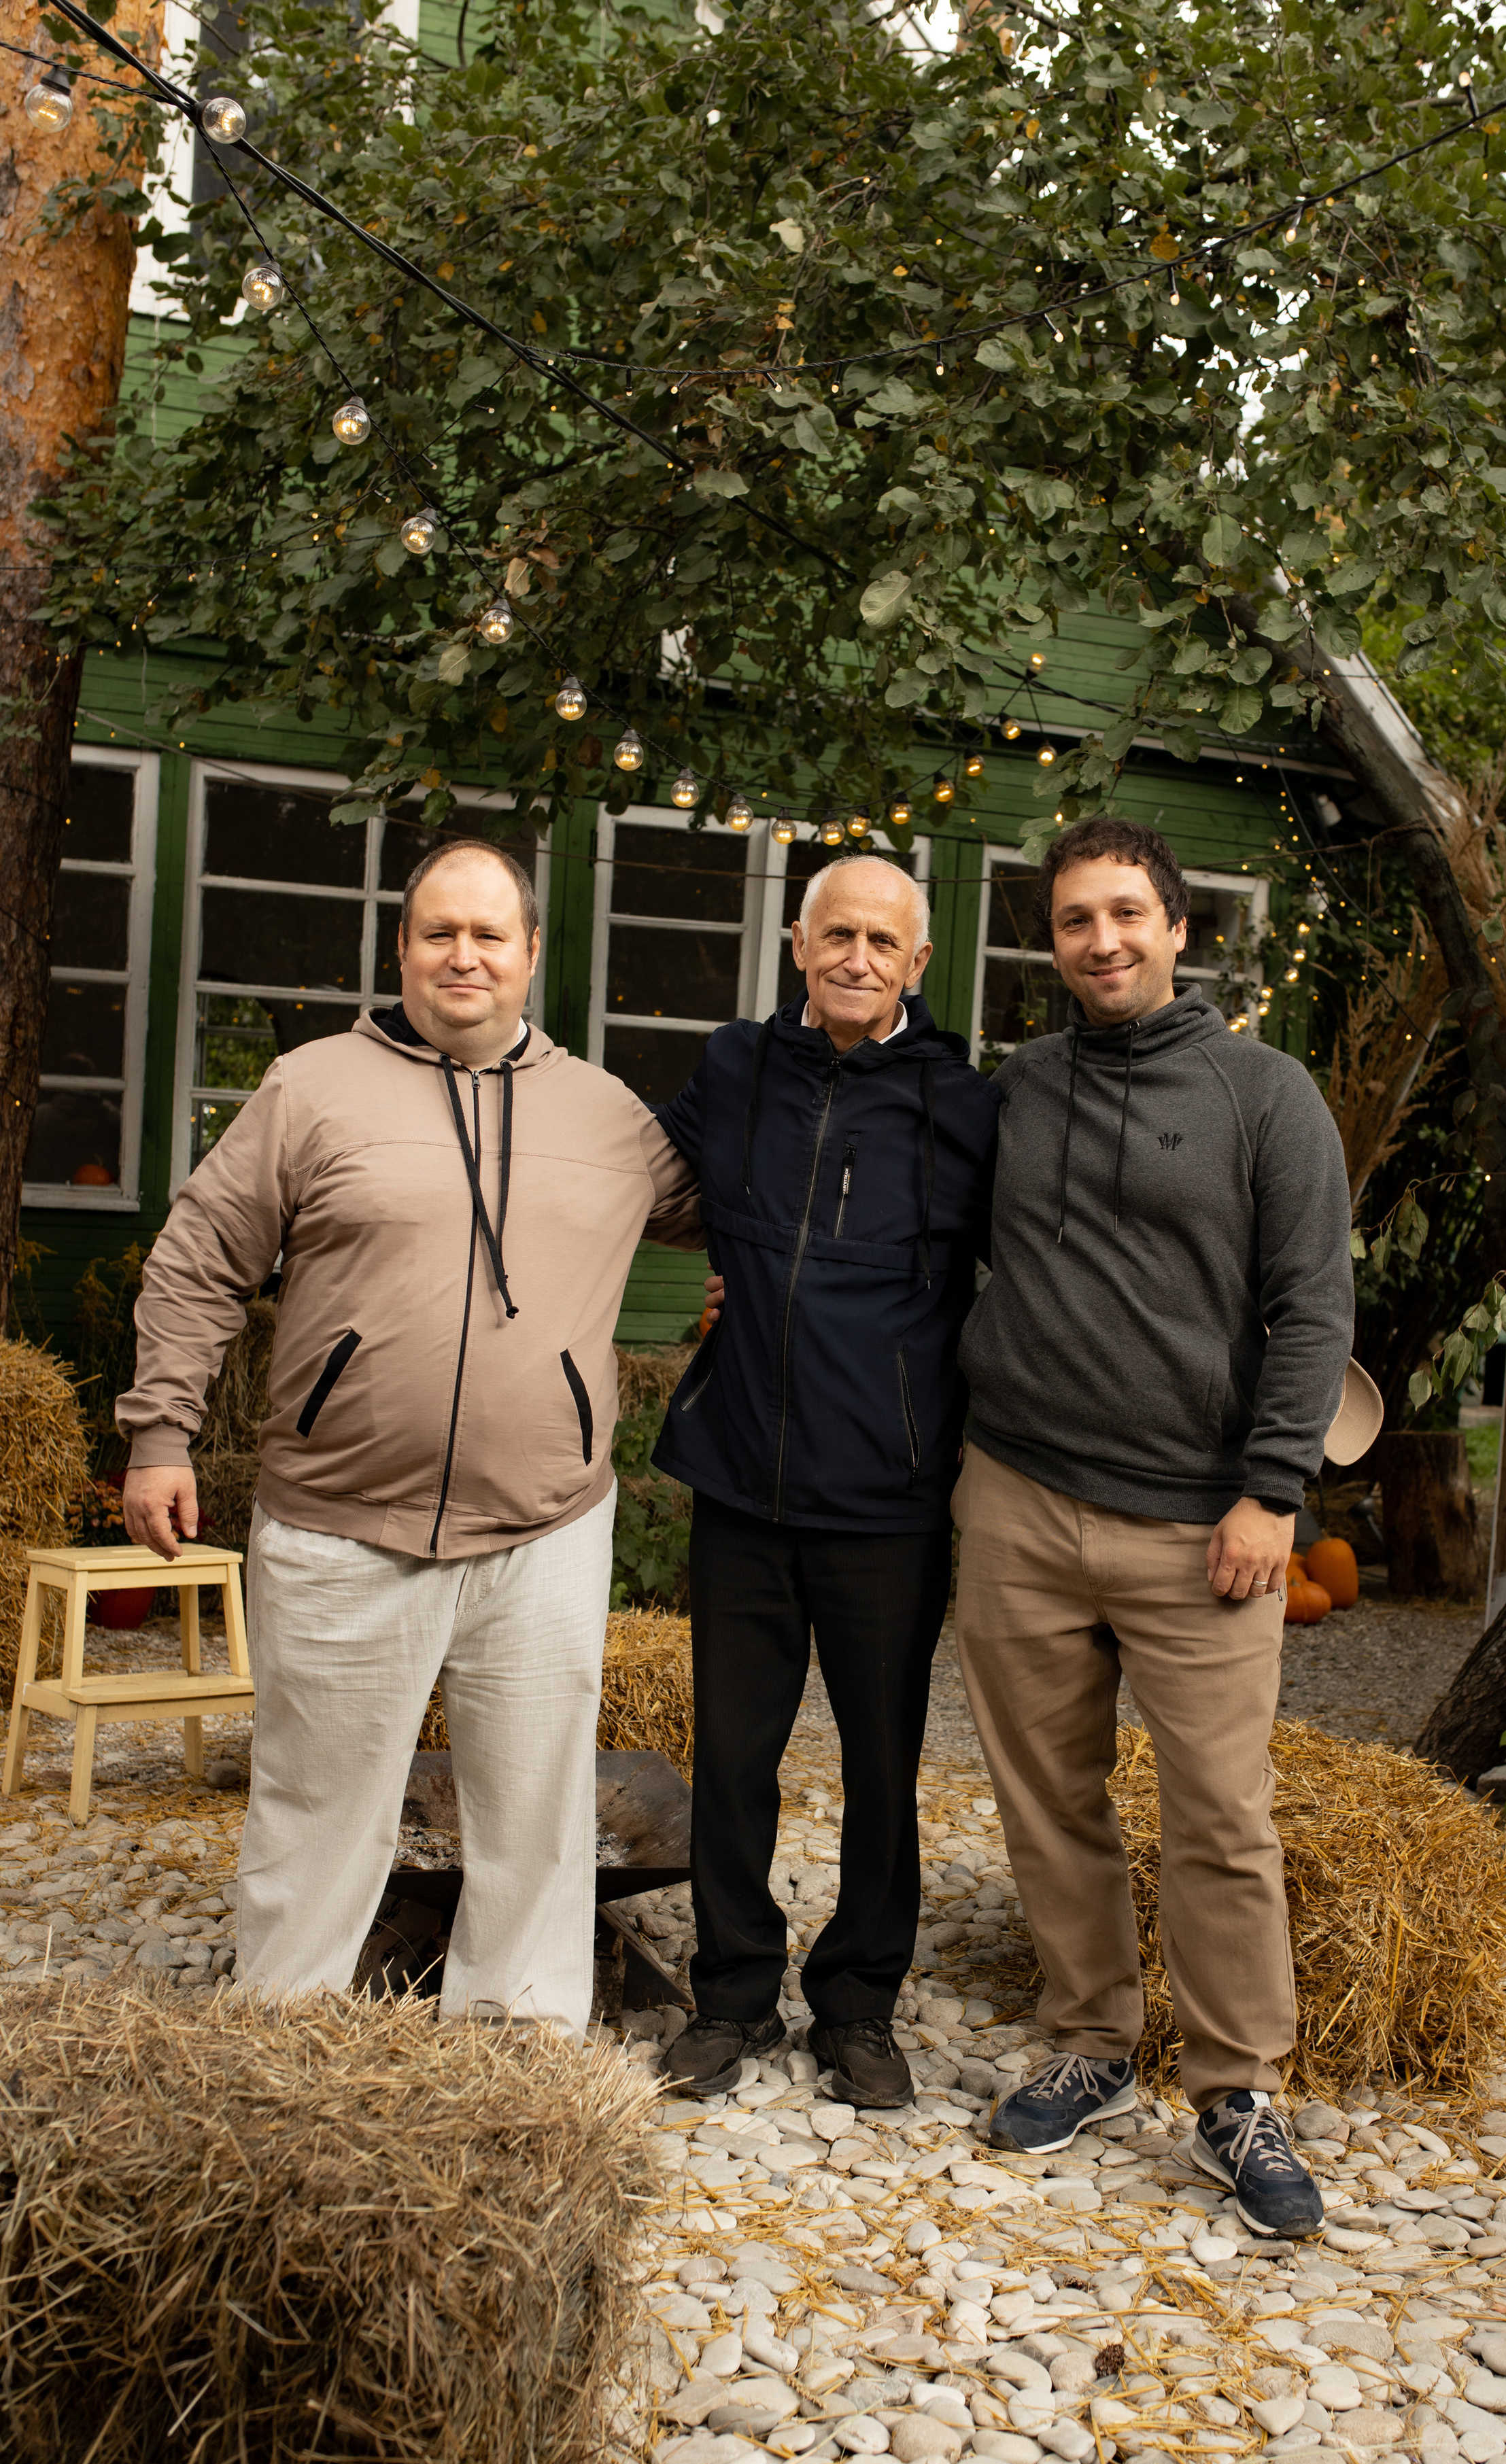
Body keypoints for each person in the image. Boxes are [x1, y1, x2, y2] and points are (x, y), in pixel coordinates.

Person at [118, 839, 699, 2032]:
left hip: (545, 1532)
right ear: (402, 948)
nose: (464, 956)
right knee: (316, 1805)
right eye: (440, 932)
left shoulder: (609, 1115)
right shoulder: (312, 1088)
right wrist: (161, 1433)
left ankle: (518, 2039)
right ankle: (285, 2034)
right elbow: (197, 1259)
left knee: (535, 1814)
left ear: (531, 952)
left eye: (489, 934)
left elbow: (753, 1218)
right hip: (341, 1527)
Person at [951, 816, 1354, 2238]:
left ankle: (1238, 2090)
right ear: (1051, 941)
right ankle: (1091, 2040)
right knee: (1046, 1794)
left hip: (1203, 1527)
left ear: (1178, 928)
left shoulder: (1264, 1093)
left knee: (1221, 1816)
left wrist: (1270, 1492)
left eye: (1126, 912)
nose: (1101, 939)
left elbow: (1314, 1305)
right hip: (1018, 1499)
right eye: (1074, 919)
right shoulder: (1020, 1089)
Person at [649, 854, 1002, 2105]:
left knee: (881, 1768)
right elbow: (636, 1184)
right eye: (836, 934)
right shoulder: (736, 1067)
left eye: (882, 942)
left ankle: (858, 2005)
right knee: (733, 1758)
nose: (857, 958)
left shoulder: (965, 1105)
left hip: (888, 1499)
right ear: (799, 945)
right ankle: (732, 1994)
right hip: (740, 1481)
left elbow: (1035, 1268)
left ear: (918, 963)